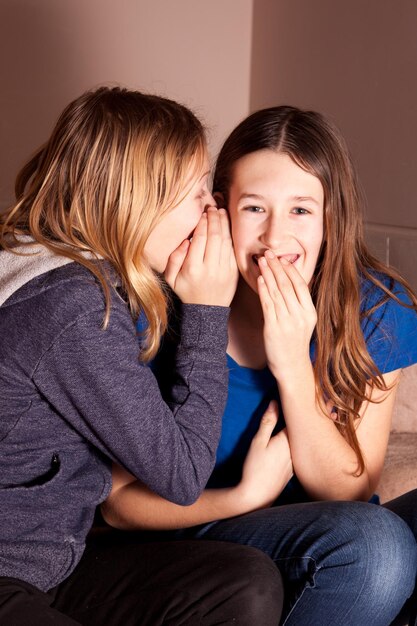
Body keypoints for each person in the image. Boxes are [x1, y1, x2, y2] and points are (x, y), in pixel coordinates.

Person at [103, 105, 417, 625]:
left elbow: (351, 491)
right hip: (198, 535)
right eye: (254, 208)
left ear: (330, 217)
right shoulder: (162, 305)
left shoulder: (378, 306)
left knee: (373, 539)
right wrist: (244, 496)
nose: (274, 237)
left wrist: (293, 362)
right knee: (376, 547)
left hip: (320, 528)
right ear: (219, 211)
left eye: (300, 210)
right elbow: (117, 505)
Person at [0, 87, 286, 625]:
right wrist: (207, 310)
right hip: (7, 572)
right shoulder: (73, 306)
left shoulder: (48, 258)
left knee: (243, 584)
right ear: (135, 200)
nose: (213, 209)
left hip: (58, 561)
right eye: (195, 192)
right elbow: (181, 476)